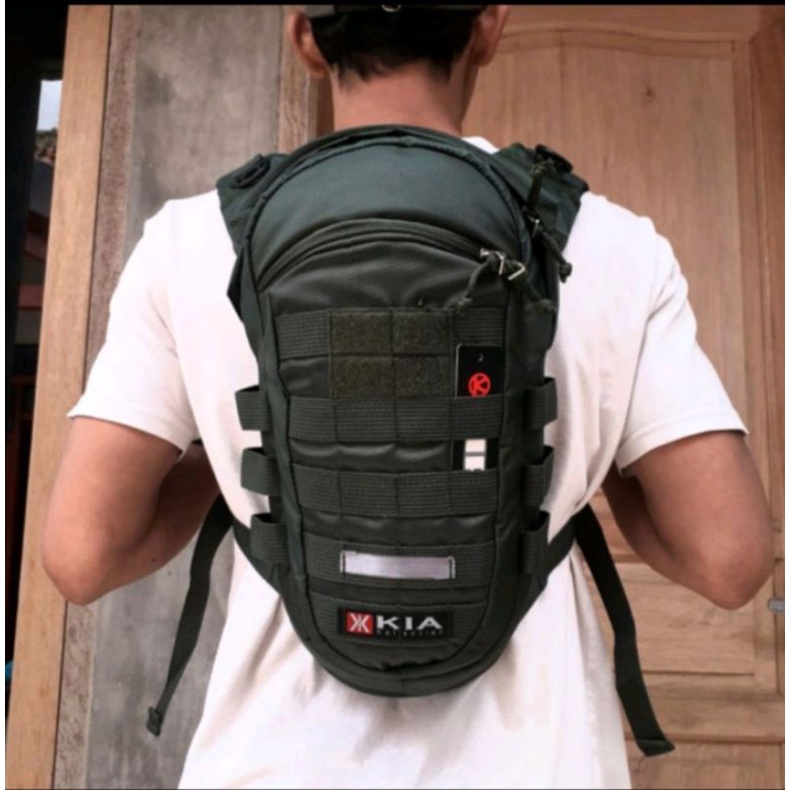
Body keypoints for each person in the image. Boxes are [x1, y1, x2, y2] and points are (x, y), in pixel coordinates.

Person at [42, 5, 773, 788]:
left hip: (272, 764)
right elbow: (729, 561)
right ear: (487, 27)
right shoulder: (609, 242)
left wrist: (232, 454)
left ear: (305, 35)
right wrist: (605, 451)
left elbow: (83, 557)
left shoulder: (195, 240)